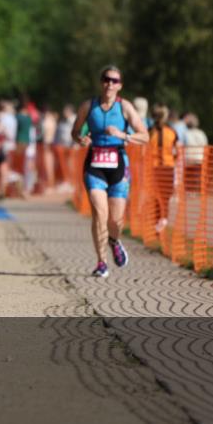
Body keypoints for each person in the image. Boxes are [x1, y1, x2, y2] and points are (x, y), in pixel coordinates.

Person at [71, 66, 148, 277]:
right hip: (94, 164)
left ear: (120, 85)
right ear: (101, 82)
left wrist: (123, 135)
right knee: (100, 214)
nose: (110, 84)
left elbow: (145, 136)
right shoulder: (89, 106)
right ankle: (101, 263)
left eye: (114, 81)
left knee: (116, 220)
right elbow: (75, 131)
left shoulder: (125, 107)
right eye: (106, 79)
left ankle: (114, 241)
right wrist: (81, 139)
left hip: (118, 165)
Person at [148, 103, 179, 235]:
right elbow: (177, 151)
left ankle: (157, 223)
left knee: (155, 197)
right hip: (168, 168)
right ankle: (162, 221)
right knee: (165, 197)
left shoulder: (149, 132)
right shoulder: (172, 132)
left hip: (153, 168)